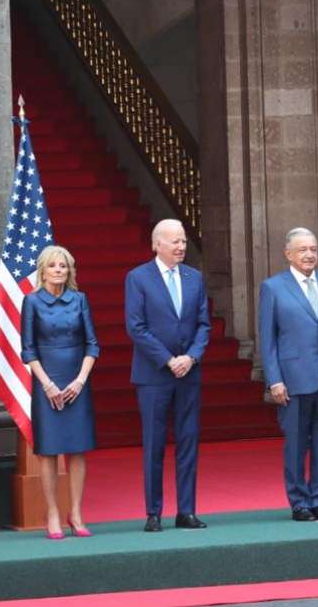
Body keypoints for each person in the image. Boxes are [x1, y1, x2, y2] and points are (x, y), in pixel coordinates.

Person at [258, 227, 318, 522]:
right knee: (297, 442)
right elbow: (268, 339)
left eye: (313, 249)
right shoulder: (273, 287)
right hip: (293, 378)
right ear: (288, 254)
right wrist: (274, 379)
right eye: (302, 250)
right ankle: (299, 501)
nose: (309, 254)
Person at [125, 219, 211, 532]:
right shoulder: (138, 278)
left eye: (184, 242)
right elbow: (136, 326)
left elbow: (204, 324)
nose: (180, 247)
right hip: (154, 375)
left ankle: (186, 510)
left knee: (188, 442)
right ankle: (154, 512)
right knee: (154, 443)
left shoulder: (194, 278)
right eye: (174, 242)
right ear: (156, 244)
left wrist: (191, 356)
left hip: (189, 373)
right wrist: (167, 359)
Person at [20, 245, 99, 539]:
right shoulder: (32, 302)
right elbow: (28, 349)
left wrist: (80, 380)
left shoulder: (79, 300)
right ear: (43, 270)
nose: (58, 270)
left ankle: (76, 512)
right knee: (49, 451)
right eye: (53, 266)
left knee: (77, 450)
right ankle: (52, 511)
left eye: (63, 266)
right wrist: (47, 384)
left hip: (77, 383)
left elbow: (92, 343)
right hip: (46, 384)